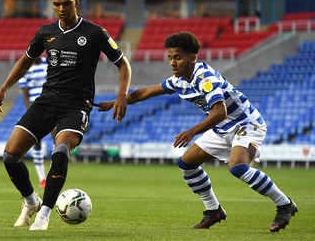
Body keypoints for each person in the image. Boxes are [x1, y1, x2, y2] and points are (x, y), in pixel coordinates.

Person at [98, 31, 297, 232]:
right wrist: (117, 101)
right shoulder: (179, 80)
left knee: (237, 167)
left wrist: (192, 131)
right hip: (222, 128)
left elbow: (220, 111)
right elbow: (144, 92)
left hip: (246, 124)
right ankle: (214, 210)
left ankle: (284, 204)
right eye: (170, 58)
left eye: (178, 57)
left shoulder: (205, 78)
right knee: (187, 163)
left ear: (192, 58)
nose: (173, 63)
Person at [0, 0, 132, 231]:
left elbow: (123, 64)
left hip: (76, 106)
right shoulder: (45, 32)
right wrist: (3, 89)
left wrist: (122, 95)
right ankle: (31, 201)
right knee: (10, 155)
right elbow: (25, 61)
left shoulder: (96, 32)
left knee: (61, 148)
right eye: (56, 4)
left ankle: (44, 214)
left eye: (66, 3)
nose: (61, 8)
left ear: (76, 2)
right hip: (46, 101)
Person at [18, 56, 56, 189]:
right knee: (36, 142)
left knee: (56, 138)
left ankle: (54, 173)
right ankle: (42, 178)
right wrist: (31, 112)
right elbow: (25, 94)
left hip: (52, 106)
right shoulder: (26, 69)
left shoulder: (49, 63)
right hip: (36, 108)